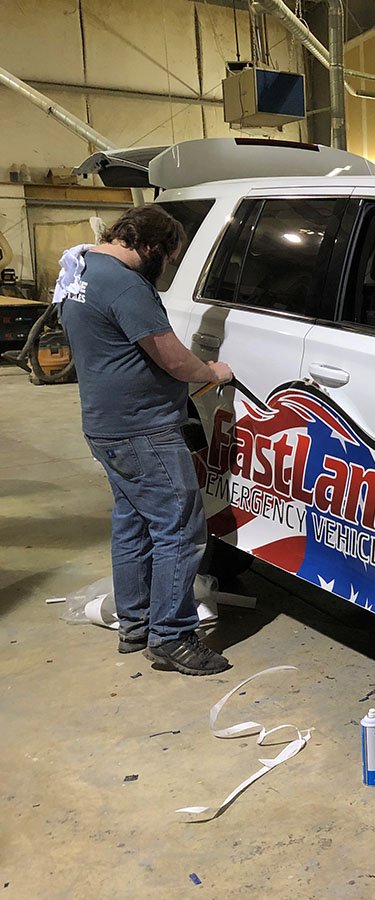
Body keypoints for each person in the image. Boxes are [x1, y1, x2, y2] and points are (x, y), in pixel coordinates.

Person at [60, 204, 235, 676]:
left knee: (133, 522)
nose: (170, 269)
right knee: (179, 526)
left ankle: (135, 624)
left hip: (107, 424)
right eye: (171, 258)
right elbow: (174, 360)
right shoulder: (124, 284)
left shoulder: (82, 268)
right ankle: (173, 637)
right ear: (150, 247)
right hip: (142, 429)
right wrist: (211, 372)